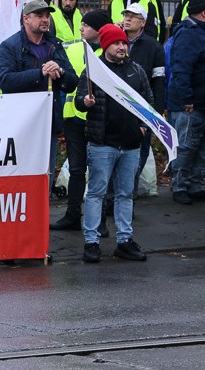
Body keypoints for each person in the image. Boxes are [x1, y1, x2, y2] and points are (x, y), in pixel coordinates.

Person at [76, 24, 154, 264]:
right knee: (96, 193)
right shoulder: (93, 71)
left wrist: (142, 130)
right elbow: (79, 101)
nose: (122, 47)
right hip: (102, 144)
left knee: (125, 194)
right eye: (116, 43)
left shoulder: (136, 70)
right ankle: (91, 242)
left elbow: (148, 102)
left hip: (131, 145)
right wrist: (85, 102)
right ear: (105, 45)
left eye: (124, 43)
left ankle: (124, 241)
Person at [0, 0, 78, 179]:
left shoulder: (54, 45)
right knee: (20, 178)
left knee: (44, 177)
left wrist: (61, 71)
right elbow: (5, 80)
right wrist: (40, 73)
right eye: (39, 16)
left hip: (48, 124)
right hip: (20, 124)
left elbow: (72, 83)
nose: (45, 20)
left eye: (47, 16)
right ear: (26, 18)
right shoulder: (9, 46)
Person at [50, 9, 110, 231]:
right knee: (76, 169)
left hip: (100, 120)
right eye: (81, 23)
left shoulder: (112, 50)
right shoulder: (73, 48)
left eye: (86, 24)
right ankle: (73, 215)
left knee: (99, 171)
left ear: (100, 29)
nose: (81, 27)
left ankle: (99, 221)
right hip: (74, 118)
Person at [166, 0, 205, 205]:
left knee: (202, 145)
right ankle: (181, 185)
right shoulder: (190, 34)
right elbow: (181, 68)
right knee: (187, 145)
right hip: (191, 103)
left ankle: (194, 184)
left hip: (204, 101)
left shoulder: (198, 33)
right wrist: (187, 98)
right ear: (204, 13)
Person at [118, 3, 166, 196]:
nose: (127, 19)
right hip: (117, 106)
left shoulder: (153, 47)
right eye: (126, 15)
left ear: (143, 22)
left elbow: (159, 81)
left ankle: (129, 198)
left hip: (142, 110)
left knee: (138, 155)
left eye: (133, 16)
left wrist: (158, 110)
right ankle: (114, 199)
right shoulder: (116, 41)